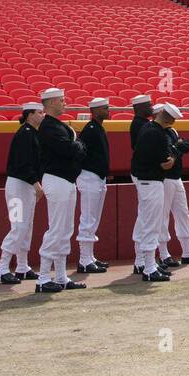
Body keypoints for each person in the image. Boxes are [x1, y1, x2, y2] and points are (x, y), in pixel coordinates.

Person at [34, 88, 89, 292]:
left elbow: (74, 149)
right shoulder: (49, 126)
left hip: (65, 180)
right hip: (57, 179)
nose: (65, 103)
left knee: (65, 230)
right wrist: (77, 145)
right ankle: (42, 279)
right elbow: (69, 150)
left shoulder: (56, 125)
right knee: (56, 228)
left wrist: (76, 146)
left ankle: (60, 276)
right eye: (61, 100)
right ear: (49, 104)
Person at [0, 102, 44, 284]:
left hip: (27, 186)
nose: (43, 115)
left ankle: (22, 266)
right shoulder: (25, 134)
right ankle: (2, 268)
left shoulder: (33, 134)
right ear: (29, 115)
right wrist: (36, 184)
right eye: (39, 112)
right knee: (19, 227)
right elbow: (23, 163)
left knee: (26, 227)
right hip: (18, 186)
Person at [130, 102, 178, 282]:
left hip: (147, 180)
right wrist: (172, 157)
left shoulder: (147, 128)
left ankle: (145, 263)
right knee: (151, 223)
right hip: (151, 181)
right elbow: (165, 161)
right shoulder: (156, 132)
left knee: (146, 221)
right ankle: (149, 267)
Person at [157, 104, 189, 268]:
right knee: (163, 216)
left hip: (176, 177)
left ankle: (187, 251)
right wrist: (178, 147)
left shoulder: (171, 131)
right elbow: (169, 151)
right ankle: (164, 253)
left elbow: (184, 146)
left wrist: (177, 147)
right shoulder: (156, 132)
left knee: (183, 213)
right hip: (164, 178)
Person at [75, 97, 110, 276]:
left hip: (97, 176)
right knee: (88, 218)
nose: (108, 110)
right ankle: (84, 259)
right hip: (89, 176)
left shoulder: (97, 127)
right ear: (96, 111)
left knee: (93, 218)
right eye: (105, 108)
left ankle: (90, 256)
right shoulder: (90, 129)